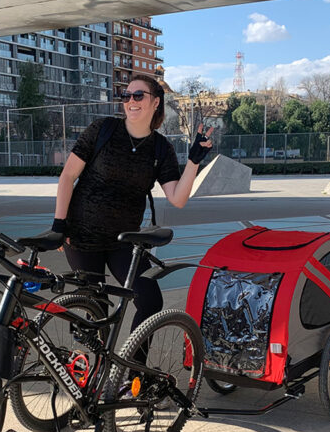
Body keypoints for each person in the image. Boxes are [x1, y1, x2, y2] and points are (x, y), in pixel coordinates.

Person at [50, 74, 214, 331]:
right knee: (97, 309)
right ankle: (98, 368)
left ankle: (134, 367)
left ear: (155, 102)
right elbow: (68, 176)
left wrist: (194, 161)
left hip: (123, 241)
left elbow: (178, 199)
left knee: (150, 300)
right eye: (126, 96)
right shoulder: (102, 130)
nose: (131, 101)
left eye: (139, 95)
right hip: (82, 236)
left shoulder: (161, 149)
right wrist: (59, 226)